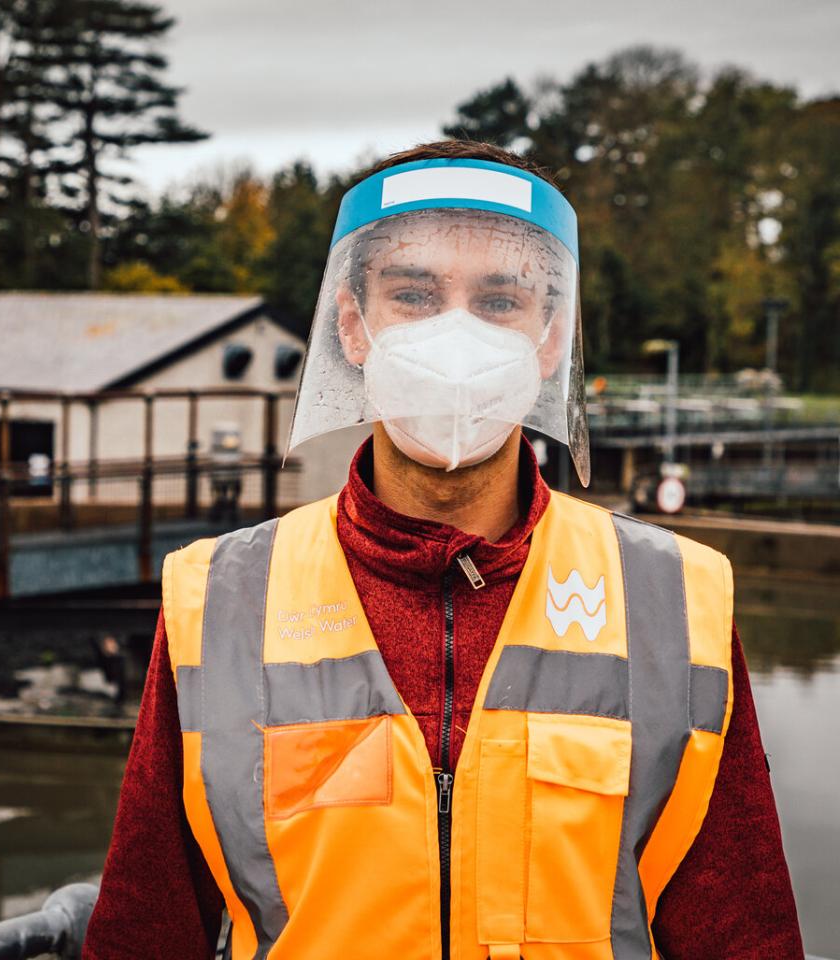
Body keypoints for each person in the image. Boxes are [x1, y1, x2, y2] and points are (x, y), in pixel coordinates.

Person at [82, 141, 804, 960]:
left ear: (549, 338)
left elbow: (744, 936)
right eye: (415, 294)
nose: (455, 337)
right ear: (353, 328)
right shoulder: (218, 599)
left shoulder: (675, 600)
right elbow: (143, 931)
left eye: (499, 300)